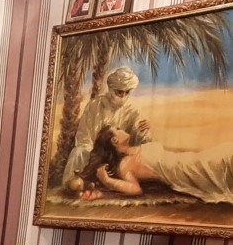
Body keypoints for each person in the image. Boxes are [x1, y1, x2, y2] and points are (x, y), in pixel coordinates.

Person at [72, 124, 233, 203]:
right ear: (115, 140)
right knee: (225, 155)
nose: (122, 129)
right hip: (182, 170)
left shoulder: (135, 148)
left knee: (225, 152)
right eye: (118, 129)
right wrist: (108, 181)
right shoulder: (124, 165)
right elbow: (135, 189)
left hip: (186, 160)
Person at [62, 65, 150, 188]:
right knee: (78, 152)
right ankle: (73, 185)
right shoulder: (94, 105)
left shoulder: (134, 109)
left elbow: (140, 138)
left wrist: (145, 129)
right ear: (111, 89)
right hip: (93, 155)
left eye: (127, 92)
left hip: (120, 156)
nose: (123, 96)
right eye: (119, 92)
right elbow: (83, 137)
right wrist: (97, 157)